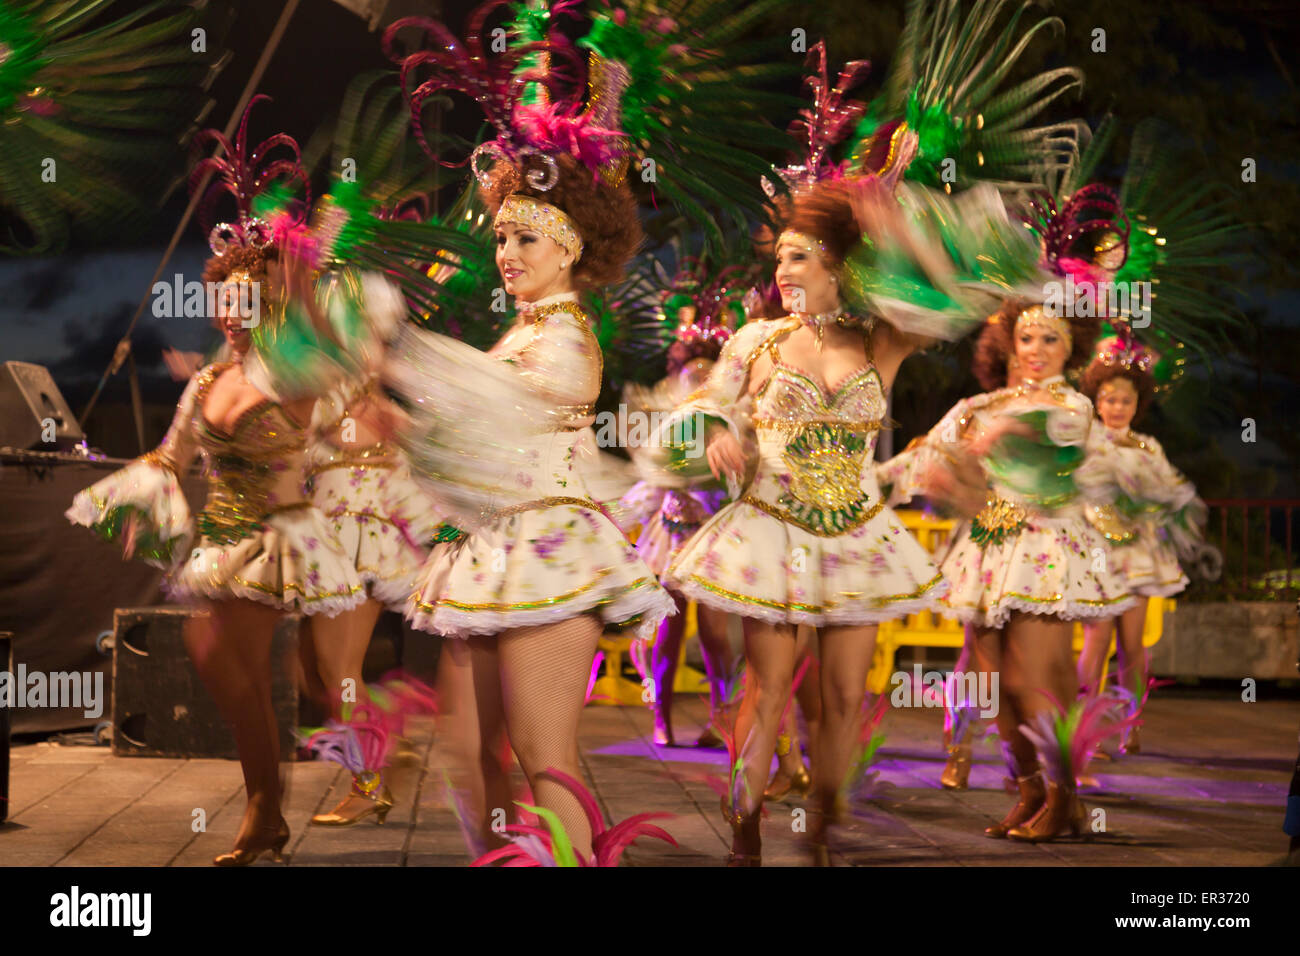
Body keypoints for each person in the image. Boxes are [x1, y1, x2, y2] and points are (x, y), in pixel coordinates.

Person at [1076, 333, 1208, 754]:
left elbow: (1172, 494)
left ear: (1137, 406)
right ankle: (1085, 725)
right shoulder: (1083, 442)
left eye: (1125, 402)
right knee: (1096, 640)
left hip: (1137, 556)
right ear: (1097, 399)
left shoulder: (1149, 447)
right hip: (1097, 552)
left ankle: (1130, 722)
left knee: (1132, 646)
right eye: (1110, 399)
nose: (1117, 408)